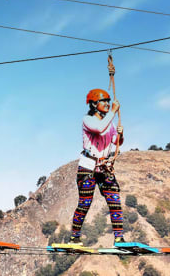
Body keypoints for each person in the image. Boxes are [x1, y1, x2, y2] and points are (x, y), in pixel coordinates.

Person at [69, 88, 125, 246]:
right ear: (94, 104)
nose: (107, 104)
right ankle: (75, 237)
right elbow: (99, 129)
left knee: (114, 200)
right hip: (88, 167)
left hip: (104, 167)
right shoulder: (88, 120)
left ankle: (119, 238)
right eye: (104, 101)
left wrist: (121, 134)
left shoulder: (110, 123)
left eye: (108, 101)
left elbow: (117, 142)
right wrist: (113, 111)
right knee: (85, 203)